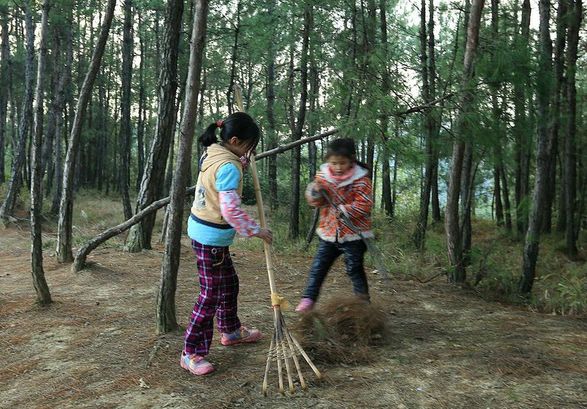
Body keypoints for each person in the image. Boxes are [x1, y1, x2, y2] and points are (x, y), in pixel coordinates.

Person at [181, 112, 272, 376]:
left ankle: (231, 331)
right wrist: (257, 231)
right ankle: (191, 351)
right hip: (211, 238)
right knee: (209, 297)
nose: (250, 152)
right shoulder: (229, 166)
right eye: (248, 146)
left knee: (230, 283)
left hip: (204, 230)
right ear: (234, 140)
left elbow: (218, 178)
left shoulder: (213, 151)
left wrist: (241, 160)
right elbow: (231, 211)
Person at [295, 138, 373, 313]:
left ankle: (363, 304)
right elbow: (316, 200)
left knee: (354, 268)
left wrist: (345, 210)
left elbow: (365, 204)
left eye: (342, 163)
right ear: (328, 161)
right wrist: (314, 194)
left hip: (354, 234)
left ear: (351, 160)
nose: (338, 167)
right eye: (334, 163)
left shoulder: (361, 180)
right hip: (329, 232)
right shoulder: (323, 177)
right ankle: (308, 299)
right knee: (319, 266)